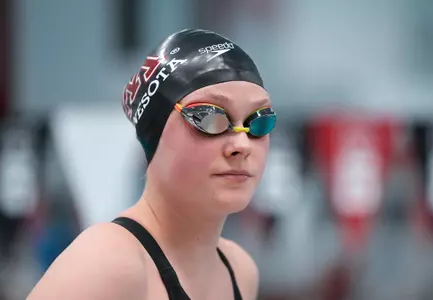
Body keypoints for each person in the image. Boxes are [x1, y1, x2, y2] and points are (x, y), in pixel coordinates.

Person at [27, 28, 277, 300]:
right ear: (153, 134)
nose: (241, 144)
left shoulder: (239, 269)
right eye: (208, 117)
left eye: (258, 121)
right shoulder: (108, 262)